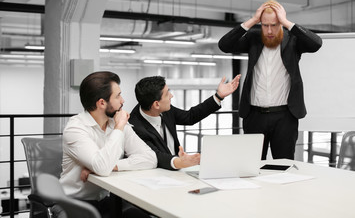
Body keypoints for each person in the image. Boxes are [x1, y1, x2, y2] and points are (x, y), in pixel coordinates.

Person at [218, 0, 322, 160]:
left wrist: (287, 22)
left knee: (284, 166)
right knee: (252, 165)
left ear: (280, 23)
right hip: (254, 116)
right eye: (265, 25)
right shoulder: (254, 37)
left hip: (285, 117)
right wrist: (252, 20)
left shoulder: (293, 39)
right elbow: (224, 45)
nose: (269, 30)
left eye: (274, 24)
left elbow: (316, 44)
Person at [59, 71, 157, 218]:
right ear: (102, 103)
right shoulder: (75, 129)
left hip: (106, 200)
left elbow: (150, 158)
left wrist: (115, 165)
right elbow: (102, 167)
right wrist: (119, 127)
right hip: (74, 203)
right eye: (118, 96)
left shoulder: (115, 123)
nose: (123, 100)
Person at [129, 75, 241, 170]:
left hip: (179, 171)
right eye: (167, 93)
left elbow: (189, 117)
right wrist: (181, 162)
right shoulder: (135, 127)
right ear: (156, 104)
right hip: (159, 174)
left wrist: (218, 96)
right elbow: (155, 156)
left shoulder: (164, 109)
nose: (171, 96)